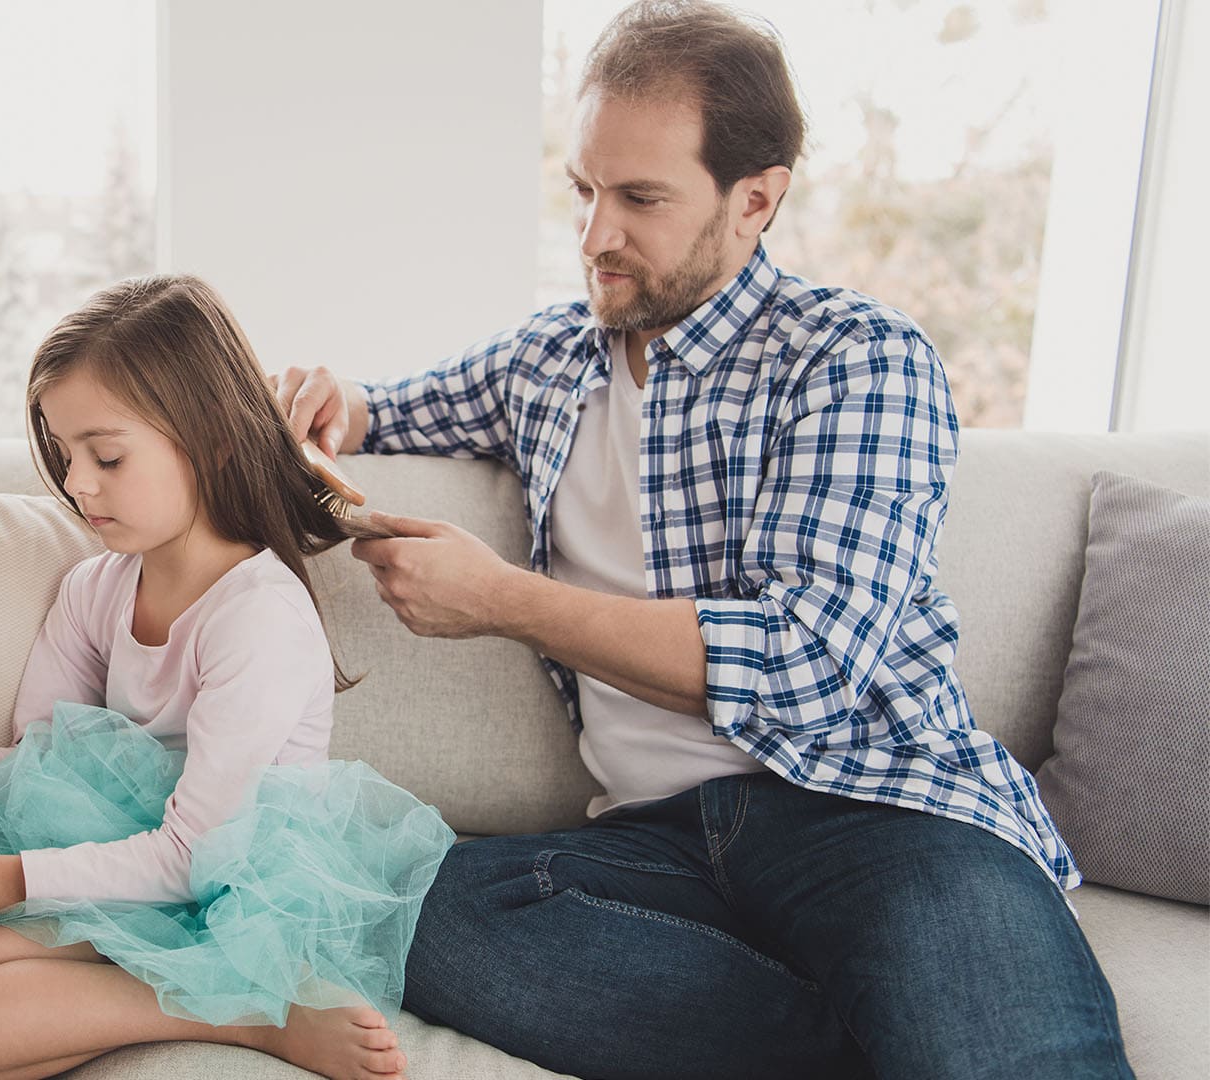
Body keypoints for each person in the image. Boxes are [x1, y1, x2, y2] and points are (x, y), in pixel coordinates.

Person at [268, 3, 1131, 1077]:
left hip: (876, 814)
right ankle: (861, 1038)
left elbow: (807, 667)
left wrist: (501, 601)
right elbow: (396, 406)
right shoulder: (550, 360)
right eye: (583, 190)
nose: (594, 236)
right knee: (428, 914)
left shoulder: (856, 360)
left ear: (755, 198)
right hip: (657, 840)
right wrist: (337, 402)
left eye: (640, 199)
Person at [0, 273, 452, 1080]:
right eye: (65, 454)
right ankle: (41, 962)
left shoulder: (257, 616)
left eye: (108, 455)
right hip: (97, 841)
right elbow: (47, 760)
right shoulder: (98, 586)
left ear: (215, 440)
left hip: (207, 882)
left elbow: (193, 854)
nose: (78, 484)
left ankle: (239, 1010)